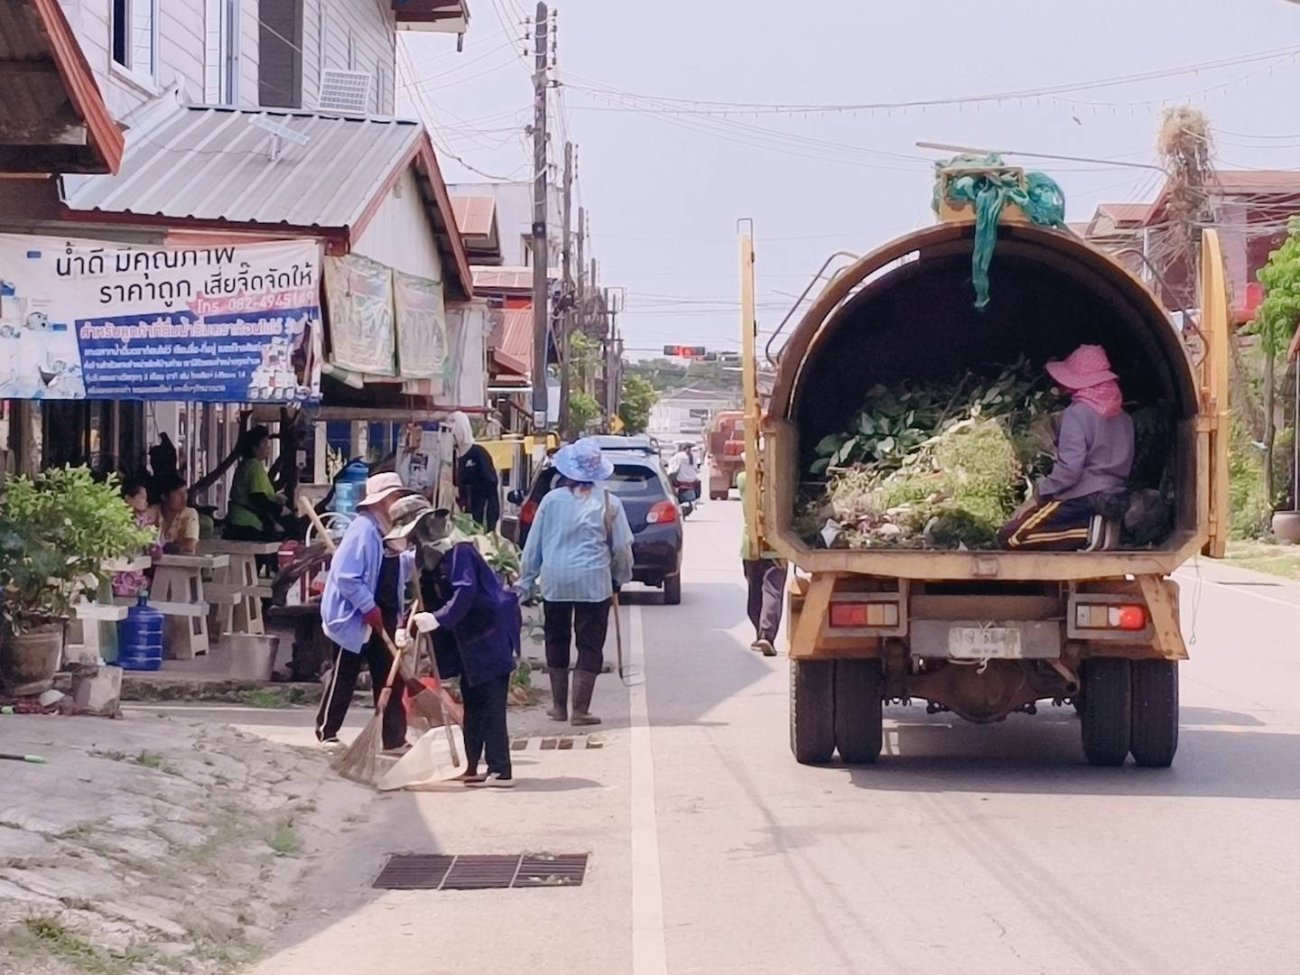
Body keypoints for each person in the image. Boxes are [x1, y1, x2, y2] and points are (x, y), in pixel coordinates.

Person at [388, 505, 523, 788]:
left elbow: (465, 591)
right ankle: (471, 765)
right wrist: (406, 628)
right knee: (472, 702)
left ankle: (500, 768)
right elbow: (420, 598)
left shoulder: (460, 550)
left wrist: (438, 619)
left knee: (491, 703)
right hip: (465, 640)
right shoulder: (425, 558)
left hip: (488, 634)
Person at [517, 438, 634, 726]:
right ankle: (580, 711)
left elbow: (533, 546)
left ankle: (559, 708)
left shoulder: (551, 500)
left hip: (555, 582)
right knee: (589, 645)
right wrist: (620, 578)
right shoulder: (609, 502)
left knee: (557, 640)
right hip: (594, 584)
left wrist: (526, 581)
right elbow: (621, 549)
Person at [998, 345, 1135, 551]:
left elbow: (1070, 470)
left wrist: (1038, 495)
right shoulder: (1124, 418)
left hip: (1084, 497)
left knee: (1010, 536)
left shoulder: (1077, 413)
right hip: (1115, 496)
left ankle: (1087, 533)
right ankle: (1102, 528)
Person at [315, 473, 416, 749]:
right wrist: (368, 607)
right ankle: (327, 731)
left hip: (384, 616)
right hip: (356, 617)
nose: (397, 502)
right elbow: (347, 576)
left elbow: (397, 570)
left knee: (390, 678)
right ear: (380, 501)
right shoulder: (363, 529)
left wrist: (417, 563)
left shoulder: (390, 531)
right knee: (343, 675)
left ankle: (393, 737)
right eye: (394, 497)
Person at [736, 462, 786, 656]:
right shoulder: (780, 484)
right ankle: (766, 635)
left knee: (755, 591)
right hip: (776, 547)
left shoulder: (743, 479)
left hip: (750, 547)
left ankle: (761, 634)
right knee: (772, 592)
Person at [225, 426, 286, 542]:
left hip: (238, 519)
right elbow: (257, 498)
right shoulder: (254, 467)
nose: (268, 446)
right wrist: (279, 510)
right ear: (254, 448)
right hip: (247, 522)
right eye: (264, 443)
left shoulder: (246, 464)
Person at [450, 411, 501, 533]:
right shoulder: (453, 455)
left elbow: (491, 483)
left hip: (481, 513)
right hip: (463, 514)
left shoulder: (478, 453)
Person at [113, 476, 161, 597]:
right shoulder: (120, 522)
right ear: (128, 499)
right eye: (142, 498)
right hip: (121, 579)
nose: (146, 502)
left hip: (135, 575)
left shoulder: (142, 521)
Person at [154, 474, 200, 555]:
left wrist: (163, 547)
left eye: (185, 493)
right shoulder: (153, 511)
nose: (184, 498)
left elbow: (190, 545)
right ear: (164, 496)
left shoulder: (190, 514)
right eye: (178, 494)